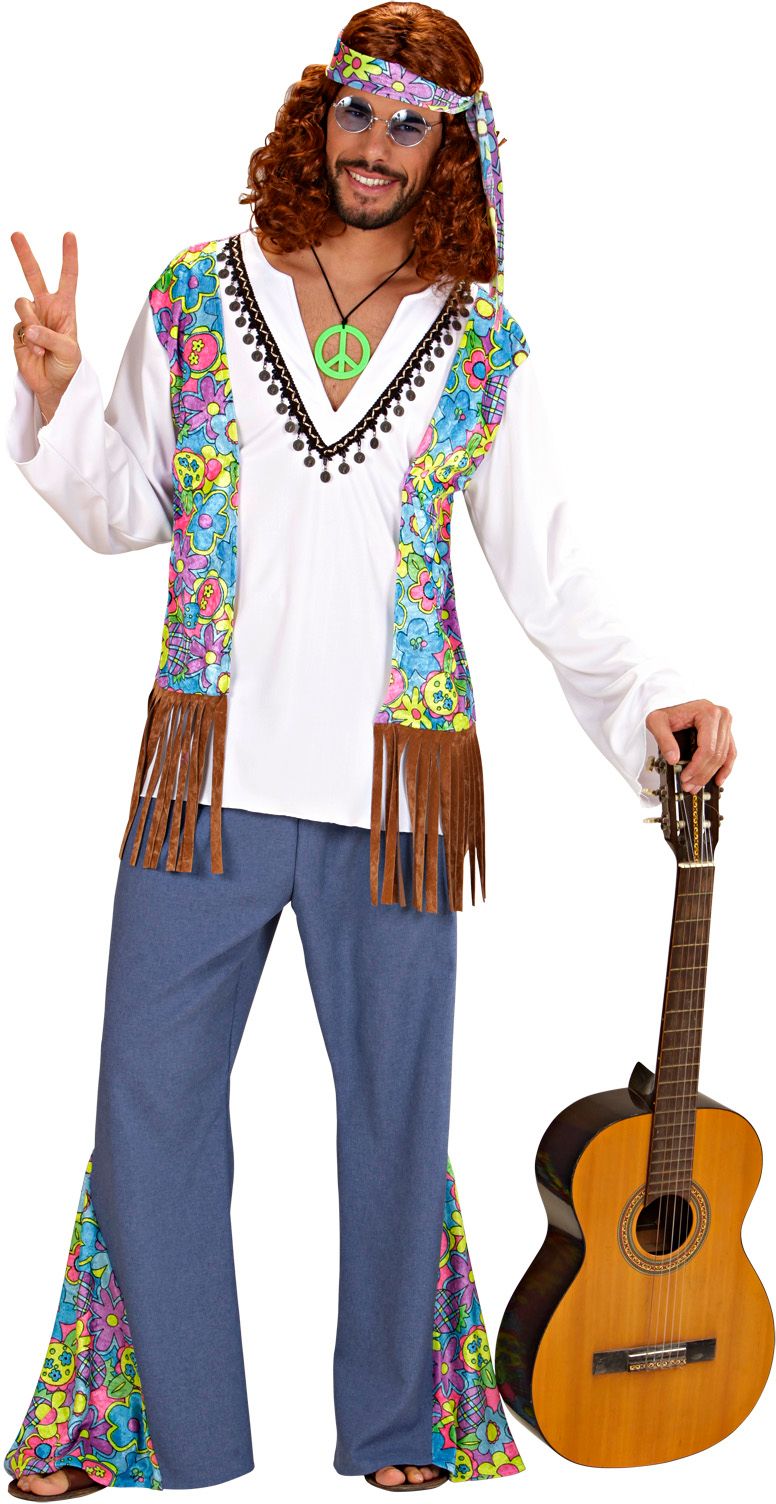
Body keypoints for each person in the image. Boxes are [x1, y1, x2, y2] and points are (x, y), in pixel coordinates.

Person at [5, 1, 736, 1496]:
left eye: (411, 124)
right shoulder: (197, 296)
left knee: (397, 1115)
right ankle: (150, 1429)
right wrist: (58, 388)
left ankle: (403, 1427)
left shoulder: (480, 341)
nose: (377, 146)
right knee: (147, 1102)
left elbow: (552, 569)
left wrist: (657, 693)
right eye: (358, 111)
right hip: (202, 777)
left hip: (402, 788)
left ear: (451, 150)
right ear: (318, 115)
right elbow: (127, 511)